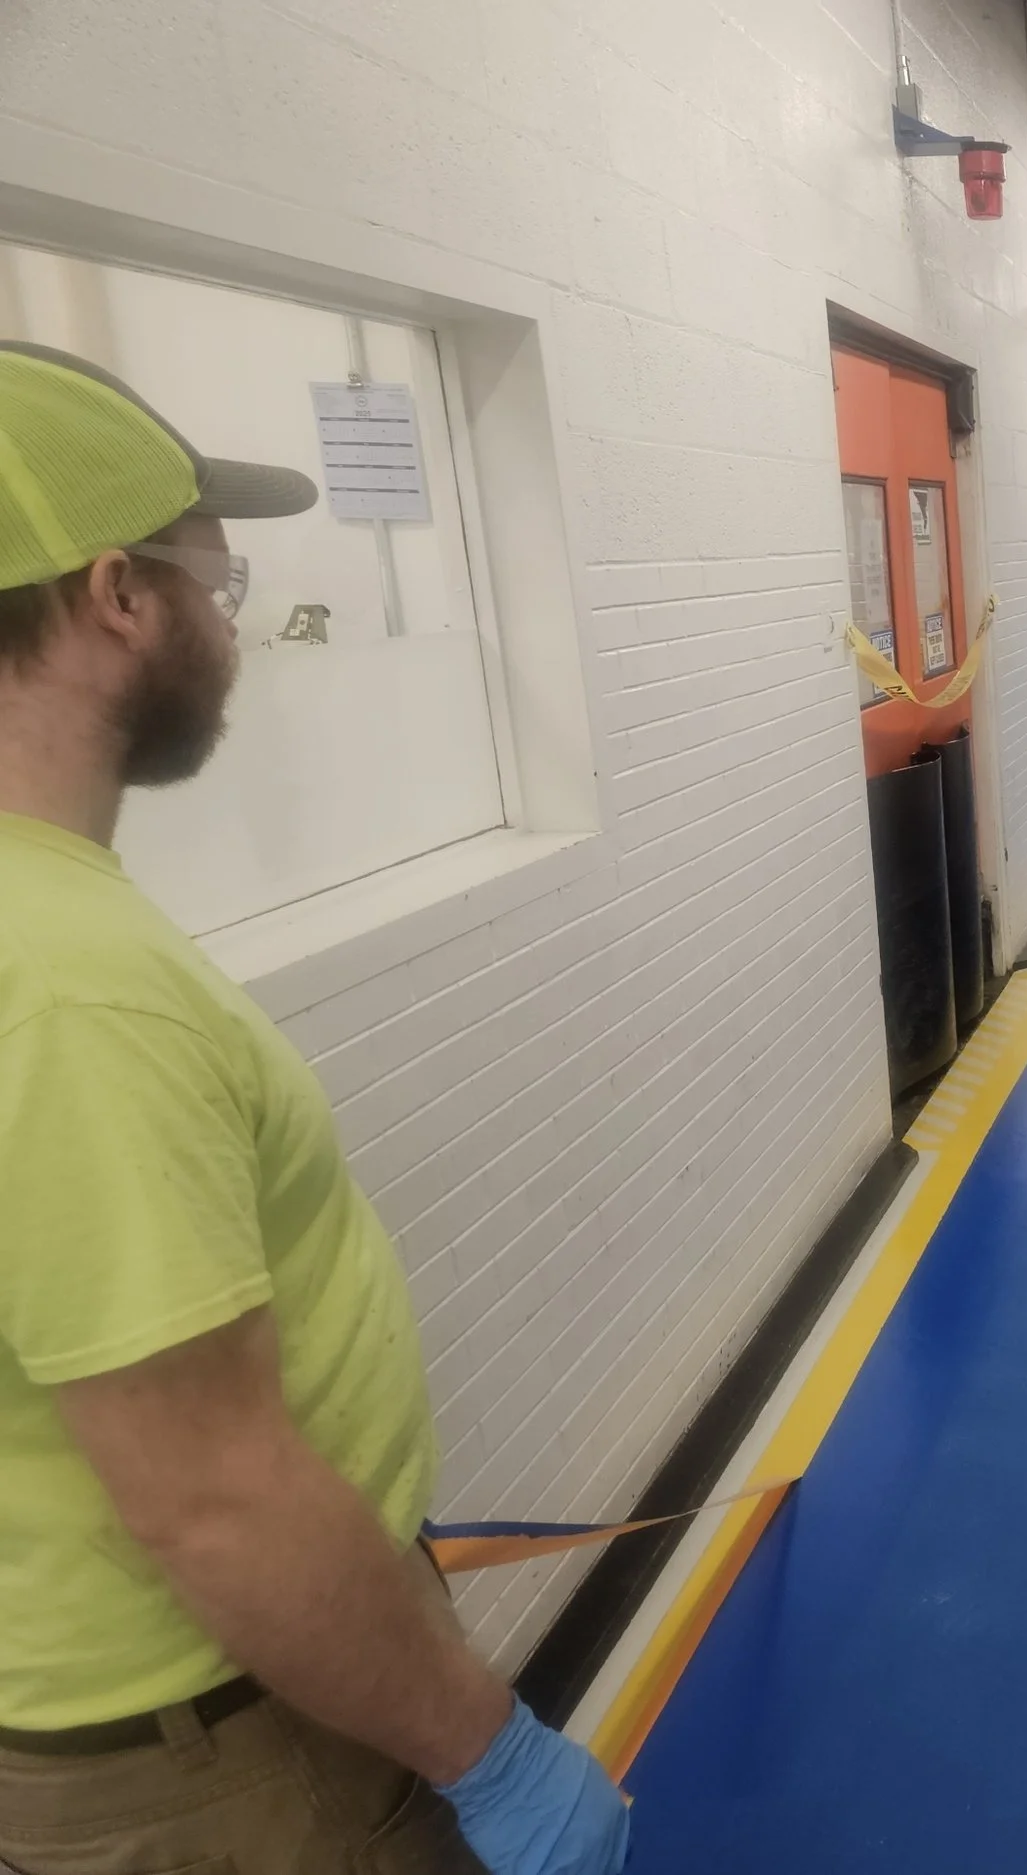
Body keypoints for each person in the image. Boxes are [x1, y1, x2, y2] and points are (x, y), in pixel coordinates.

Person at [0, 343, 628, 1875]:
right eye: (208, 572)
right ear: (115, 599)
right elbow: (215, 1497)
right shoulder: (68, 983)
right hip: (238, 1748)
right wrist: (491, 1754)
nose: (230, 615)